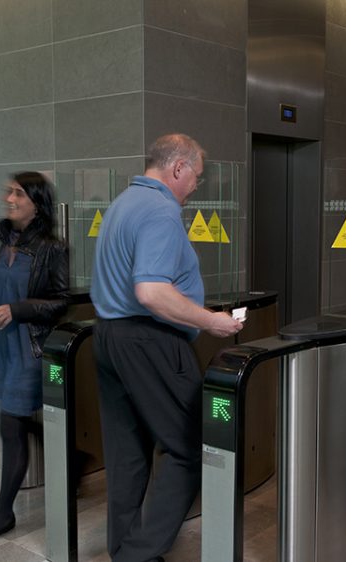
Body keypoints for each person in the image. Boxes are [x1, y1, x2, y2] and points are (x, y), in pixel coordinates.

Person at [90, 133, 244, 562]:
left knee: (127, 453)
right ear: (177, 168)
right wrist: (211, 320)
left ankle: (124, 548)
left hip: (109, 337)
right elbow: (152, 292)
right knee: (190, 447)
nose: (195, 186)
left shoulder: (122, 204)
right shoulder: (161, 211)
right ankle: (138, 555)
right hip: (151, 341)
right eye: (195, 176)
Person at [0, 171, 69, 545]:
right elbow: (1, 286)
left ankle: (3, 512)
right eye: (8, 191)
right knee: (16, 420)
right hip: (4, 345)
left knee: (10, 425)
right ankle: (77, 457)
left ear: (36, 204)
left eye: (18, 194)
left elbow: (59, 301)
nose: (8, 198)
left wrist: (18, 310)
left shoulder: (52, 248)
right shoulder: (5, 242)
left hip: (30, 346)